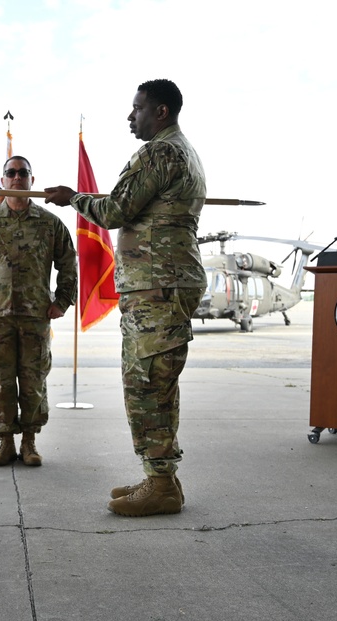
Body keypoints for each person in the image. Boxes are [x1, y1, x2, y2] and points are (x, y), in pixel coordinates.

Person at [45, 79, 206, 516]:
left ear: (161, 112)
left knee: (147, 384)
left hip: (159, 284)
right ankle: (160, 476)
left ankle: (160, 484)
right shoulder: (183, 151)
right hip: (164, 281)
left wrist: (72, 198)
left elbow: (116, 210)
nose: (130, 117)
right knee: (155, 381)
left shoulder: (160, 151)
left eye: (137, 109)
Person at [0, 156, 77, 467]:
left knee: (34, 378)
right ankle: (5, 442)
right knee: (1, 380)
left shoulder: (49, 223)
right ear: (3, 180)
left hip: (36, 315)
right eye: (11, 173)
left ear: (31, 181)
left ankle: (30, 442)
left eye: (23, 173)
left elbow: (68, 264)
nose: (17, 177)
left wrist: (62, 301)